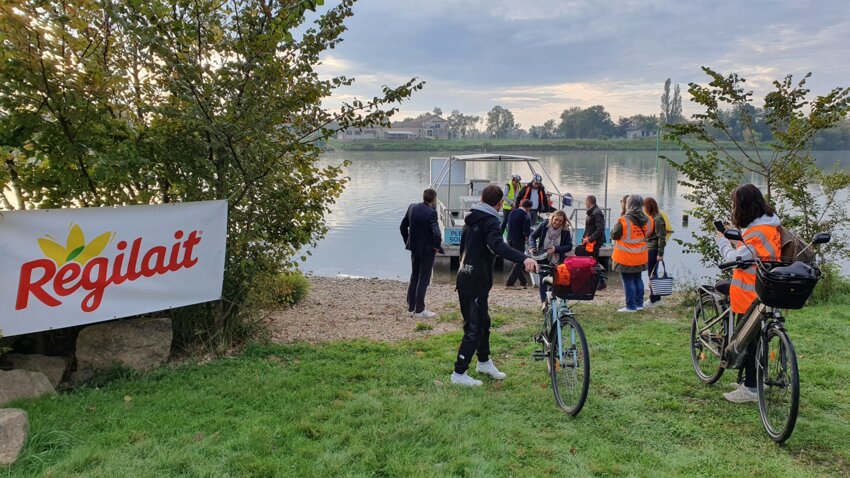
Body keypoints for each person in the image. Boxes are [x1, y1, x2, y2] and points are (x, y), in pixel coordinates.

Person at [453, 184, 538, 386]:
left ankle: (483, 362)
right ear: (499, 203)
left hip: (468, 277)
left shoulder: (472, 217)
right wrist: (524, 258)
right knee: (473, 329)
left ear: (482, 199)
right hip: (473, 281)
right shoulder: (489, 220)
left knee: (484, 323)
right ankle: (459, 374)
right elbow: (497, 246)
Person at [715, 183, 781, 403]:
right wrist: (736, 240)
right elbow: (754, 252)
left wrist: (722, 241)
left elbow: (735, 259)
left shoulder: (757, 232)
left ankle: (751, 388)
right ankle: (752, 381)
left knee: (750, 342)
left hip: (749, 294)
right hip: (764, 289)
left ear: (742, 206)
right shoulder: (768, 225)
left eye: (734, 204)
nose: (733, 208)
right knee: (755, 340)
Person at [400, 188, 444, 318]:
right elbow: (437, 233)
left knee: (414, 276)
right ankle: (420, 310)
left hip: (414, 248)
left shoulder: (412, 207)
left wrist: (408, 241)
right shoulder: (431, 213)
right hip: (427, 251)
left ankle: (411, 308)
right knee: (424, 279)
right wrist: (436, 247)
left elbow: (402, 227)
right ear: (433, 199)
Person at [611, 195, 653, 313]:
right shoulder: (648, 220)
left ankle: (630, 306)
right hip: (641, 256)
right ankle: (639, 304)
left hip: (625, 257)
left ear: (628, 204)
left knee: (628, 281)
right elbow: (648, 233)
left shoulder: (623, 220)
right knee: (638, 279)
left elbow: (614, 235)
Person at [528, 209, 573, 306]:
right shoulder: (544, 225)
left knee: (556, 280)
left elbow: (569, 246)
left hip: (557, 259)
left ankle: (553, 300)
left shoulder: (565, 230)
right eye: (556, 220)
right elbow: (532, 236)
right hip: (542, 256)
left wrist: (556, 249)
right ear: (552, 218)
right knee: (543, 279)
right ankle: (544, 303)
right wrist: (532, 247)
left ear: (563, 222)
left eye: (560, 221)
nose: (557, 222)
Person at [576, 194, 607, 290]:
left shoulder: (596, 213)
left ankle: (600, 281)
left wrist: (589, 239)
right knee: (590, 259)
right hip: (590, 242)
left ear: (589, 202)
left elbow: (600, 230)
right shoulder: (592, 212)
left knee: (592, 261)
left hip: (593, 243)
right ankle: (597, 280)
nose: (585, 204)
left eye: (586, 202)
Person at [643, 197, 667, 306]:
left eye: (645, 207)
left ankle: (654, 299)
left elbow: (662, 237)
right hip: (649, 248)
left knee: (652, 274)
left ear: (648, 207)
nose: (644, 209)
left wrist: (660, 253)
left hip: (654, 250)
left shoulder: (658, 219)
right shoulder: (651, 218)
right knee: (652, 273)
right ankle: (656, 297)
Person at [505, 199, 533, 288]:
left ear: (521, 204)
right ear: (529, 208)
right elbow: (525, 231)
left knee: (516, 261)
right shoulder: (526, 216)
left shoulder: (512, 212)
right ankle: (510, 283)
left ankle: (523, 282)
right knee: (520, 261)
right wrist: (528, 238)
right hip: (518, 240)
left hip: (509, 239)